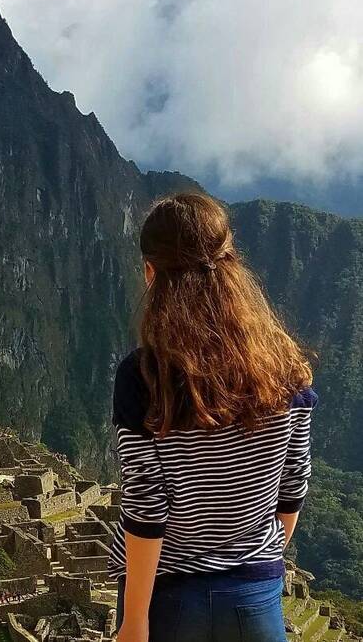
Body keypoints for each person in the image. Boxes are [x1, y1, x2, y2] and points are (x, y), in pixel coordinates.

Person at [111, 193, 315, 642]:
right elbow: (293, 481)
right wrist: (257, 556)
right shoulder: (285, 365)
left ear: (151, 274)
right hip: (256, 592)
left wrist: (135, 621)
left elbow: (147, 504)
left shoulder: (145, 375)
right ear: (230, 265)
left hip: (167, 596)